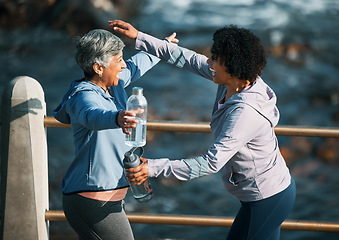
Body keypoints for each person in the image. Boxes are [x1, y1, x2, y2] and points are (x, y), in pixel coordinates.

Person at [109, 20, 296, 240]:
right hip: (265, 195)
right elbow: (186, 58)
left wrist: (152, 168)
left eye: (215, 60)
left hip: (267, 198)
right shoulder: (235, 81)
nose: (209, 61)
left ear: (232, 67)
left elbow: (210, 163)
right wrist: (139, 36)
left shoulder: (245, 113)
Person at [53, 29, 161, 239]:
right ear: (98, 67)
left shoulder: (115, 84)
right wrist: (116, 118)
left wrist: (163, 47)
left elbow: (137, 64)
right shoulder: (82, 96)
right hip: (90, 201)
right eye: (119, 60)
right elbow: (92, 115)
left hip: (107, 198)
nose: (123, 65)